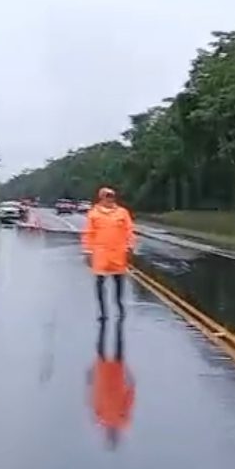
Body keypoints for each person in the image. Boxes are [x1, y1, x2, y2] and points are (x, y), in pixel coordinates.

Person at [81, 187, 135, 317]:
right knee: (100, 282)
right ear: (101, 198)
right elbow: (88, 233)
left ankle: (120, 307)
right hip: (101, 254)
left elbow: (129, 230)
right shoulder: (94, 213)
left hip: (118, 253)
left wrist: (130, 247)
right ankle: (102, 310)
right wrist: (88, 251)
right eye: (107, 196)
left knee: (119, 281)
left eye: (111, 196)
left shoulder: (122, 212)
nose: (110, 199)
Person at [88, 313, 134, 449]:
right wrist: (92, 379)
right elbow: (94, 398)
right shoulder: (101, 419)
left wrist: (131, 382)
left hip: (112, 377)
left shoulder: (120, 420)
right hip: (106, 376)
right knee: (102, 349)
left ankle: (117, 324)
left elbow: (129, 399)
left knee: (117, 346)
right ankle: (106, 325)